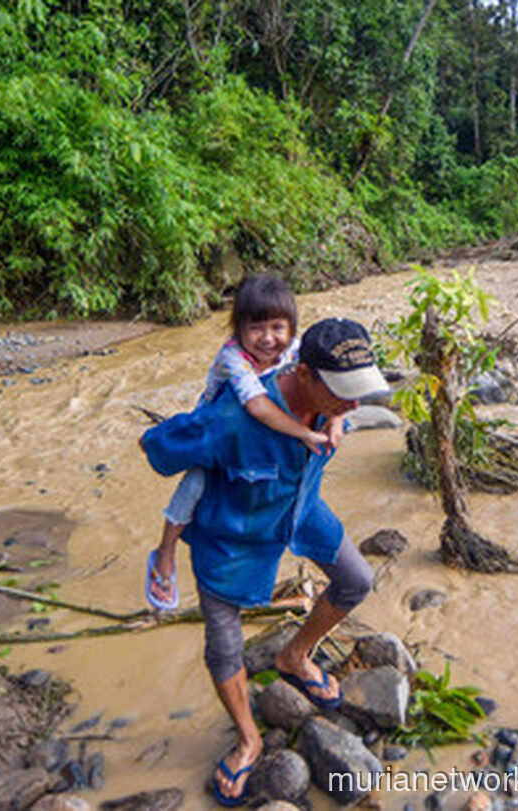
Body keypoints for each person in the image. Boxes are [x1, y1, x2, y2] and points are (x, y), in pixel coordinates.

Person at [140, 317, 388, 807]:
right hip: (231, 538)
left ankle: (293, 656)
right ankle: (249, 737)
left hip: (299, 509)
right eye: (343, 394)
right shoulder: (232, 419)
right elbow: (157, 448)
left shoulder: (331, 406)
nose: (354, 404)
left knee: (356, 579)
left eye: (358, 392)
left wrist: (336, 416)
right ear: (305, 374)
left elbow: (343, 410)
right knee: (224, 645)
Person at [146, 275, 344, 611]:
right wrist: (305, 433)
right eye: (256, 329)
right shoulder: (232, 356)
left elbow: (329, 381)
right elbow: (256, 405)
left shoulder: (296, 349)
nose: (268, 339)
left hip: (265, 425)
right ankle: (164, 553)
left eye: (278, 328)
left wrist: (336, 417)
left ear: (292, 328)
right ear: (238, 329)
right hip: (220, 425)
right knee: (196, 484)